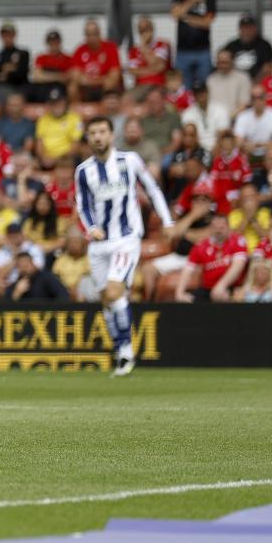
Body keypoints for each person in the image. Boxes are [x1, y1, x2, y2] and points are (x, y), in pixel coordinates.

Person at [75, 116, 174, 377]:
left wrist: (167, 219)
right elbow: (82, 205)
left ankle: (126, 351)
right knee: (106, 300)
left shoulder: (128, 161)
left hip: (126, 238)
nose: (98, 137)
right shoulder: (84, 170)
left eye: (102, 131)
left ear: (111, 135)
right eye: (93, 132)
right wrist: (90, 227)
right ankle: (120, 349)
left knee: (114, 290)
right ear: (88, 137)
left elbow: (152, 188)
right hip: (98, 244)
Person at [177, 214, 248, 303]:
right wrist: (179, 293)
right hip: (207, 288)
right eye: (215, 228)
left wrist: (222, 285)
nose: (218, 231)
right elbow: (188, 269)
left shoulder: (237, 241)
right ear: (210, 228)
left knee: (225, 296)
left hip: (231, 286)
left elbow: (238, 266)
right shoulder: (201, 246)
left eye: (221, 228)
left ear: (228, 227)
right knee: (185, 301)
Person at [171, 0, 216, 88]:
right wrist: (193, 0)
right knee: (184, 87)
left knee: (204, 86)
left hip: (203, 51)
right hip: (182, 51)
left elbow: (207, 23)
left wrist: (186, 17)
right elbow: (175, 15)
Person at [69, 19, 121, 102]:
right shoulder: (80, 50)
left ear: (100, 33)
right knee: (72, 87)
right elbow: (75, 75)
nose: (92, 37)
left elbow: (114, 76)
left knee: (110, 83)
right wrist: (95, 81)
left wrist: (93, 81)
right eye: (89, 34)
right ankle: (77, 112)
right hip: (87, 88)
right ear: (85, 35)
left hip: (103, 86)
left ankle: (108, 110)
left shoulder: (110, 48)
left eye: (94, 34)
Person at [126, 16, 172, 97]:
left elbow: (160, 67)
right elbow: (132, 71)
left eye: (146, 29)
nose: (144, 33)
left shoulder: (162, 45)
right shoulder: (134, 50)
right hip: (140, 87)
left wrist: (144, 47)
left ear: (152, 29)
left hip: (158, 85)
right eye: (141, 30)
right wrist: (153, 70)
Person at [222, 13, 272, 79]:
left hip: (258, 84)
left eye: (249, 27)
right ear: (239, 29)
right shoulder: (231, 46)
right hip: (235, 84)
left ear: (255, 28)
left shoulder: (264, 45)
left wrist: (255, 82)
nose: (246, 31)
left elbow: (270, 67)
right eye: (244, 27)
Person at [206, 48, 252, 115]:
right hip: (215, 119)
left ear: (232, 62)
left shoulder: (243, 78)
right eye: (219, 62)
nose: (222, 65)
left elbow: (245, 104)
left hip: (237, 118)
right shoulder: (210, 80)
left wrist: (229, 117)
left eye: (225, 62)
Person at [0, 22, 30, 91]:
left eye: (10, 35)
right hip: (0, 89)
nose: (7, 38)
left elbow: (22, 74)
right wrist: (7, 69)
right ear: (1, 36)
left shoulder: (23, 54)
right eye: (4, 35)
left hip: (19, 89)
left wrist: (3, 72)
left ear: (14, 35)